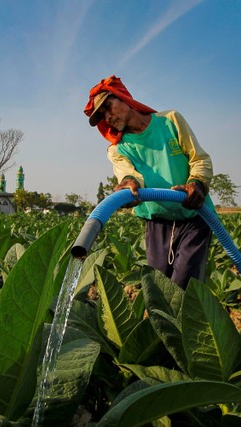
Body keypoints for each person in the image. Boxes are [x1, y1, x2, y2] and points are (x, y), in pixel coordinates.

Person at [84, 75, 215, 290]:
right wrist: (127, 186)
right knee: (159, 291)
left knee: (185, 287)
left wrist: (197, 183)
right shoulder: (118, 149)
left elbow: (198, 158)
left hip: (194, 217)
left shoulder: (170, 121)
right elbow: (129, 176)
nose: (107, 116)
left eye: (108, 106)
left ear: (123, 98)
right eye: (102, 115)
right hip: (157, 224)